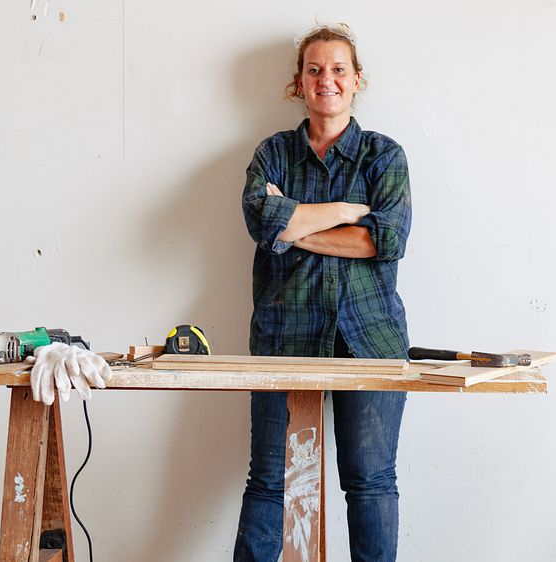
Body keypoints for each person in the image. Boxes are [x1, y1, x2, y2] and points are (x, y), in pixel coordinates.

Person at [235, 22, 412, 562]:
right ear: (299, 83)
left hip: (372, 340)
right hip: (283, 337)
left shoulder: (384, 157)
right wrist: (342, 212)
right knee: (270, 480)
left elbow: (383, 240)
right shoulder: (272, 154)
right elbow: (261, 223)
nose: (326, 79)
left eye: (338, 69)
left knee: (370, 482)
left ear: (357, 80)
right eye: (315, 70)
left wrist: (292, 223)